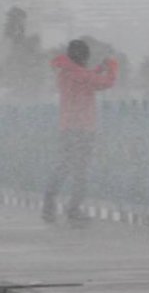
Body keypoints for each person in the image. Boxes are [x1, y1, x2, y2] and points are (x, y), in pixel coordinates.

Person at [43, 39, 118, 223]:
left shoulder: (65, 71)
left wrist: (98, 69)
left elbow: (85, 77)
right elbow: (105, 83)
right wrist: (112, 68)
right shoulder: (79, 74)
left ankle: (48, 203)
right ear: (83, 56)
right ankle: (73, 209)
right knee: (81, 171)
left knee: (63, 166)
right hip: (83, 129)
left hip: (67, 127)